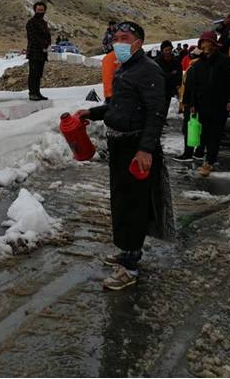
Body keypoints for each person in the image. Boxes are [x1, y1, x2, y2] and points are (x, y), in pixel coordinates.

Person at [75, 21, 174, 291]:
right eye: (116, 37)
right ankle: (129, 252)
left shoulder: (149, 71)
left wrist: (145, 150)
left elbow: (156, 113)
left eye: (125, 37)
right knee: (121, 201)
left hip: (135, 148)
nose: (118, 42)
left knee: (134, 205)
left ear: (138, 42)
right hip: (119, 147)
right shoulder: (125, 69)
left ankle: (129, 269)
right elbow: (117, 106)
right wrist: (92, 113)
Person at [183, 30, 230, 176]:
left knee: (215, 134)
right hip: (202, 105)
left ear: (214, 45)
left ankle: (209, 162)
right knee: (204, 134)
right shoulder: (198, 64)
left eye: (207, 42)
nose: (205, 45)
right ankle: (204, 156)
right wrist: (192, 104)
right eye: (202, 42)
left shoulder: (225, 61)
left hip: (220, 105)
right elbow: (193, 87)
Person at [175, 46, 203, 161]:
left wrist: (189, 103)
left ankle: (188, 153)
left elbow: (190, 88)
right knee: (199, 128)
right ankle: (199, 152)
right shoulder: (202, 67)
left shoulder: (194, 68)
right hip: (198, 103)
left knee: (189, 128)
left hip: (191, 104)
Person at [26, 0, 52, 101]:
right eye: (38, 10)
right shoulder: (31, 22)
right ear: (35, 10)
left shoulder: (44, 23)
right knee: (33, 73)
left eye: (42, 10)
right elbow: (33, 37)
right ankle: (32, 93)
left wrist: (48, 44)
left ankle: (37, 92)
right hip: (34, 52)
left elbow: (47, 36)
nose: (40, 12)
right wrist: (44, 45)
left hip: (42, 53)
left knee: (39, 74)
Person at [155, 40, 183, 118]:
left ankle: (163, 119)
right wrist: (171, 74)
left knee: (167, 103)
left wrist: (178, 84)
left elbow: (179, 74)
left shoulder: (176, 62)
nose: (168, 52)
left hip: (170, 87)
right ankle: (159, 119)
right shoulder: (157, 62)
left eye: (169, 49)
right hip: (159, 87)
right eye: (166, 50)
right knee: (159, 104)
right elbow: (157, 74)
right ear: (162, 50)